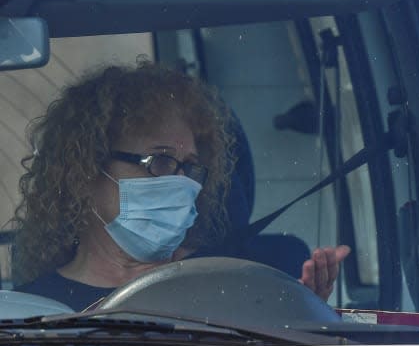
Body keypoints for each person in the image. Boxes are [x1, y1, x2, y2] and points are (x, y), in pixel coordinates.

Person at [10, 62, 350, 311]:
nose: (182, 183)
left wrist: (303, 313)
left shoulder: (228, 287)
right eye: (159, 161)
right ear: (86, 170)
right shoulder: (31, 312)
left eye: (189, 167)